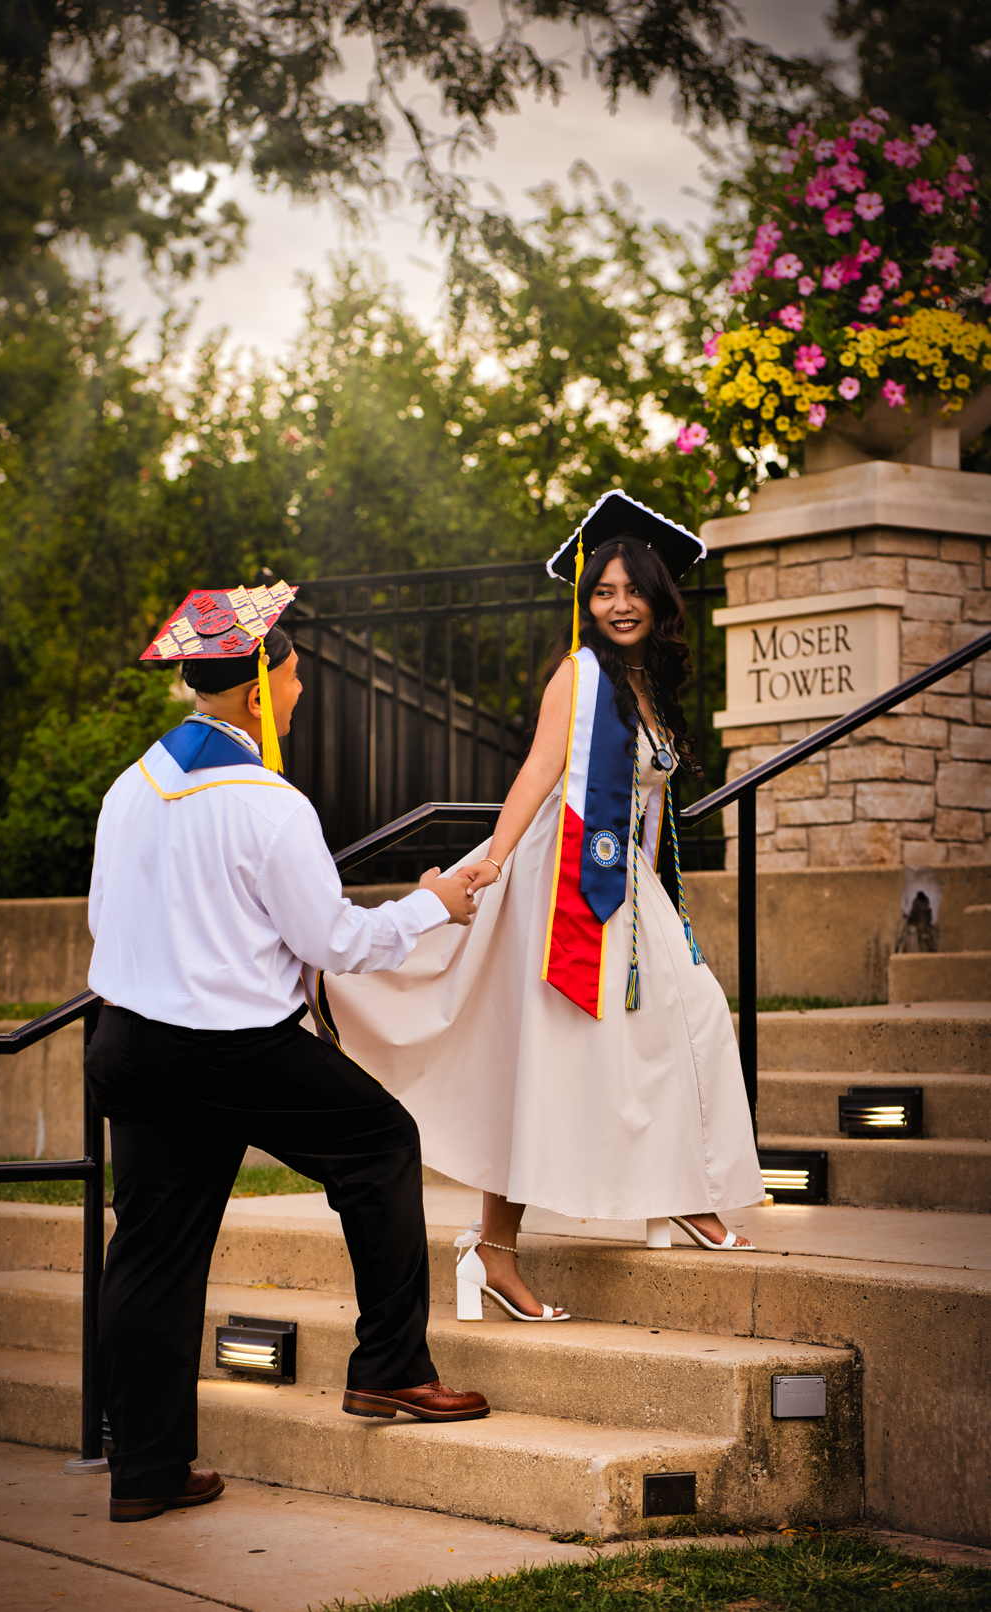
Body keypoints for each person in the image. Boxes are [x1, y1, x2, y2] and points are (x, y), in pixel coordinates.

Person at [84, 582, 487, 1526]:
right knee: (381, 1144)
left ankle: (144, 1469)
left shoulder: (129, 788)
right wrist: (436, 903)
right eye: (296, 675)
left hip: (129, 1043)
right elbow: (335, 941)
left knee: (150, 1254)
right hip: (231, 1049)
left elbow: (109, 921)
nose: (302, 692)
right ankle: (390, 1369)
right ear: (258, 688)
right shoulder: (267, 804)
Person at [324, 492, 764, 1324]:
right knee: (539, 1060)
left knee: (693, 1019)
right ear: (586, 603)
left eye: (634, 590)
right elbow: (536, 771)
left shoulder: (646, 684)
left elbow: (645, 803)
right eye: (603, 591)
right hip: (559, 883)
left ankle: (683, 1191)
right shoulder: (582, 673)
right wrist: (493, 860)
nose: (619, 603)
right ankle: (497, 1251)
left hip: (627, 887)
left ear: (660, 599)